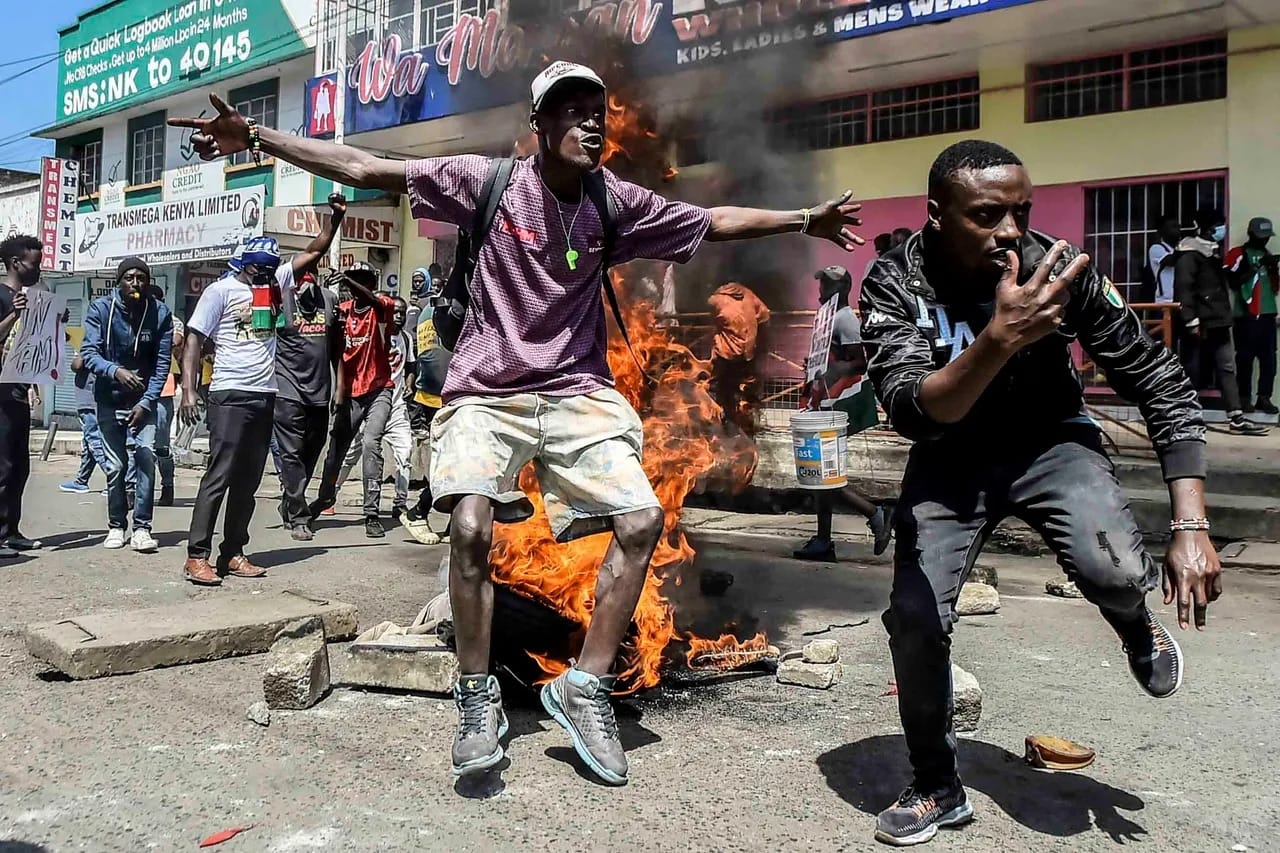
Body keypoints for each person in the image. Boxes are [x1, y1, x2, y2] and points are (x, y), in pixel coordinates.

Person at [171, 59, 863, 785]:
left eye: (596, 110)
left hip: (575, 392)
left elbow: (712, 222)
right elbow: (365, 165)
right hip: (487, 389)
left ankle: (584, 686)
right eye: (570, 109)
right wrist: (257, 137)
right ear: (538, 125)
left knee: (640, 521)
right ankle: (477, 696)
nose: (589, 122)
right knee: (471, 526)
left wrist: (804, 219)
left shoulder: (613, 200)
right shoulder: (488, 181)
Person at [858, 140, 1222, 847]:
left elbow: (1157, 378)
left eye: (1021, 212)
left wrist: (1191, 523)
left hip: (1050, 443)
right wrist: (999, 338)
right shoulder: (894, 280)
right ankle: (936, 785)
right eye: (987, 215)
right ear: (937, 214)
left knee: (1115, 570)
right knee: (915, 617)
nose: (1010, 232)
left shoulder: (1059, 268)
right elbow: (911, 411)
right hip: (949, 458)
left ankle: (1134, 624)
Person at [179, 237, 295, 585]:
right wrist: (188, 390)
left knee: (248, 480)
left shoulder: (270, 289)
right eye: (259, 267)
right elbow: (194, 339)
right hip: (229, 393)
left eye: (271, 268)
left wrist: (334, 221)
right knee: (220, 476)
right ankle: (196, 556)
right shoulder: (220, 291)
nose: (265, 272)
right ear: (246, 264)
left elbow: (314, 251)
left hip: (264, 394)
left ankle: (232, 552)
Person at [793, 265, 892, 562]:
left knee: (822, 475)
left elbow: (860, 361)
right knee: (821, 474)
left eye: (826, 284)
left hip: (837, 403)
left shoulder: (845, 319)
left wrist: (832, 369)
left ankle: (874, 513)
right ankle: (823, 540)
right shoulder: (829, 318)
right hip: (824, 400)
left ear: (841, 289)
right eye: (821, 283)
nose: (821, 289)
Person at [80, 258, 174, 552]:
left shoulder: (160, 313)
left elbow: (162, 364)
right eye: (130, 278)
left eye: (141, 278)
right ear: (119, 281)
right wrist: (115, 371)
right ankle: (116, 525)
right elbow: (89, 353)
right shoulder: (100, 309)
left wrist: (147, 402)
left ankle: (142, 528)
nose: (136, 283)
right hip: (108, 399)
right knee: (116, 466)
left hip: (143, 402)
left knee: (145, 459)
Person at [271, 195, 347, 541]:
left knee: (310, 453)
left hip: (320, 392)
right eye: (302, 274)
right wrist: (333, 221)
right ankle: (300, 516)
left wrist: (340, 388)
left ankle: (290, 499)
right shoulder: (280, 295)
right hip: (287, 389)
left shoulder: (329, 301)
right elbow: (316, 247)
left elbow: (337, 349)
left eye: (313, 274)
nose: (307, 280)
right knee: (290, 454)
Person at [308, 264, 399, 538]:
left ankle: (371, 513)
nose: (358, 286)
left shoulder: (382, 306)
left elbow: (371, 298)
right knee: (335, 450)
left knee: (371, 443)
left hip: (378, 388)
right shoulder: (343, 311)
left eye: (363, 281)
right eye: (354, 280)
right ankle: (325, 497)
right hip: (348, 392)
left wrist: (347, 279)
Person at [1174, 209, 1268, 435]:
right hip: (1199, 323)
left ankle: (1236, 418)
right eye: (1219, 225)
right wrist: (1191, 320)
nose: (1222, 229)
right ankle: (1183, 416)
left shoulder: (1212, 252)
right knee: (1192, 370)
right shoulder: (1189, 254)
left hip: (1219, 321)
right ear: (1209, 228)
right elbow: (1184, 289)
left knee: (1227, 368)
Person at [331, 295, 416, 533]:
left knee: (405, 453)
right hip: (369, 405)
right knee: (351, 455)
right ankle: (331, 495)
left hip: (396, 407)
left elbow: (411, 366)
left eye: (402, 313)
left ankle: (399, 503)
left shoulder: (406, 339)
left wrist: (409, 384)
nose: (398, 317)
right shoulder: (373, 335)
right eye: (394, 312)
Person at [0, 233, 47, 555]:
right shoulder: (3, 297)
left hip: (18, 392)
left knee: (19, 466)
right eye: (34, 264)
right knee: (3, 466)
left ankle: (11, 530)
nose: (38, 270)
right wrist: (13, 315)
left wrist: (52, 323)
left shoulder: (31, 299)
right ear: (16, 263)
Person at [1225, 216, 1279, 415]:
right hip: (1246, 314)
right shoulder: (1238, 253)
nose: (1264, 240)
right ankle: (1244, 398)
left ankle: (1264, 397)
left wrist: (1272, 267)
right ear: (1251, 234)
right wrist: (1256, 266)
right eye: (1261, 236)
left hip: (1267, 312)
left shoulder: (1267, 253)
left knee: (1269, 359)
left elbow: (1274, 288)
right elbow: (1233, 281)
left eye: (1267, 237)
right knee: (1245, 358)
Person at [707, 282, 770, 431]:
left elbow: (715, 320)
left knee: (722, 391)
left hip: (725, 353)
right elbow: (765, 314)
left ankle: (723, 425)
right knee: (747, 391)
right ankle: (747, 426)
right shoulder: (749, 295)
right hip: (748, 352)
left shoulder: (715, 300)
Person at [59, 352, 110, 494]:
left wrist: (81, 351)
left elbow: (77, 366)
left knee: (94, 441)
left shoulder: (89, 345)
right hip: (97, 399)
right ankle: (81, 481)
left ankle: (115, 481)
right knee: (88, 443)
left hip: (89, 400)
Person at [1146, 215, 1180, 304]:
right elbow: (1171, 261)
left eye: (1178, 227)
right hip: (1165, 300)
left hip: (1180, 299)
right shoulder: (1156, 248)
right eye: (1173, 227)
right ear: (1162, 231)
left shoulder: (1177, 249)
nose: (1177, 230)